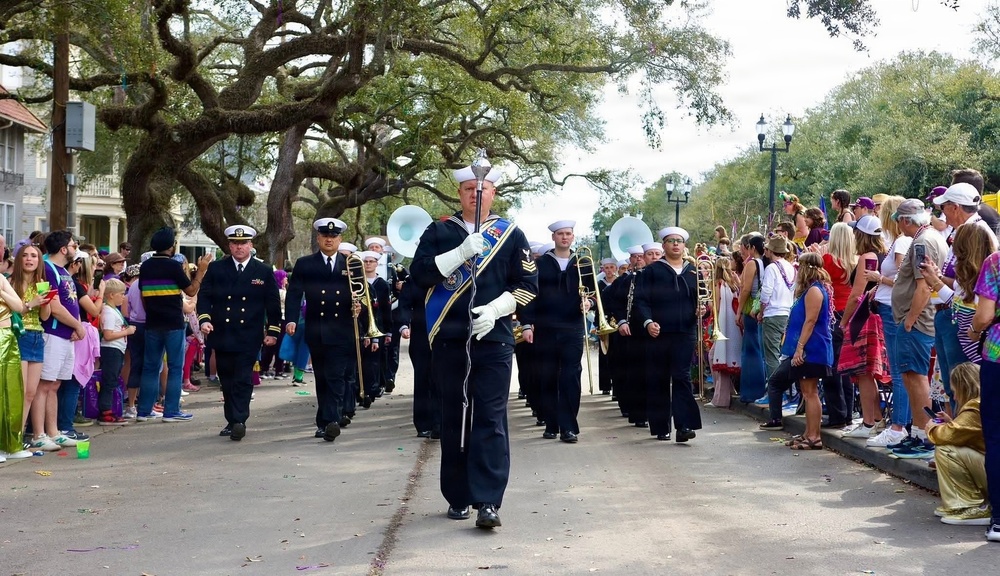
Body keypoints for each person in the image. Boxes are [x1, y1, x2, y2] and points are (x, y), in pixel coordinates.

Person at [410, 163, 537, 529]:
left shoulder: (510, 235)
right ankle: (457, 494)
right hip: (450, 338)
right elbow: (419, 276)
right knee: (453, 414)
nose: (474, 195)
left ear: (493, 194)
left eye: (481, 190)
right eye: (468, 189)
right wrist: (459, 253)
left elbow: (529, 285)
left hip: (493, 338)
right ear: (460, 193)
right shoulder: (439, 231)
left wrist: (497, 309)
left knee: (491, 417)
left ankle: (488, 500)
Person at [198, 225, 281, 440]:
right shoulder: (216, 268)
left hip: (248, 335)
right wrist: (204, 320)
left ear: (250, 245)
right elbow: (205, 297)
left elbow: (272, 304)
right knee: (227, 378)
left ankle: (240, 420)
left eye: (243, 243)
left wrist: (273, 330)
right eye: (235, 243)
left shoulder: (263, 270)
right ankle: (231, 419)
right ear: (229, 245)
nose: (239, 247)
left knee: (243, 378)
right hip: (222, 332)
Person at [285, 218, 358, 442]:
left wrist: (359, 306)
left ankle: (331, 420)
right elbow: (294, 294)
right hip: (317, 328)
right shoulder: (305, 264)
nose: (329, 239)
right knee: (323, 376)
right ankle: (324, 421)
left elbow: (362, 293)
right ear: (318, 238)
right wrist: (291, 319)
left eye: (334, 236)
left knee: (336, 376)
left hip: (341, 329)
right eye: (325, 236)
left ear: (340, 239)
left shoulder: (351, 264)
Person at [520, 220, 592, 444]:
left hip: (572, 327)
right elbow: (529, 295)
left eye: (568, 234)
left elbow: (591, 292)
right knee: (548, 376)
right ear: (553, 237)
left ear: (573, 237)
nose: (564, 237)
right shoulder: (540, 265)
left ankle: (568, 427)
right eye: (560, 234)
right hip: (546, 327)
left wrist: (588, 303)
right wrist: (526, 324)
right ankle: (551, 422)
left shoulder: (583, 263)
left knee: (571, 377)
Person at [928, 183, 998, 407]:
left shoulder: (975, 233)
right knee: (955, 386)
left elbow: (972, 297)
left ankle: (965, 436)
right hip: (956, 317)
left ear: (955, 207)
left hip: (965, 324)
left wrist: (936, 282)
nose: (943, 215)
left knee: (963, 387)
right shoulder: (966, 231)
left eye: (945, 208)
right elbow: (963, 287)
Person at [890, 199, 949, 456]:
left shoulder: (923, 242)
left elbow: (924, 285)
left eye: (898, 220)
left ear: (905, 219)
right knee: (912, 376)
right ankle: (918, 433)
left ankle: (925, 436)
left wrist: (910, 319)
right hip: (922, 318)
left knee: (914, 376)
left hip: (917, 320)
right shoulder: (931, 236)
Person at [635, 227, 702, 442]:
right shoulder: (652, 271)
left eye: (679, 241)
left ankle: (683, 426)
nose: (675, 244)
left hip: (685, 331)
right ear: (663, 245)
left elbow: (703, 300)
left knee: (681, 376)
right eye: (671, 241)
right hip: (659, 332)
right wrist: (647, 322)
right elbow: (641, 300)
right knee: (659, 377)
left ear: (684, 246)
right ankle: (661, 426)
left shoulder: (694, 271)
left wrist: (703, 310)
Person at [137, 228, 210, 423]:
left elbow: (144, 297)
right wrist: (202, 270)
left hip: (152, 322)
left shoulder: (145, 267)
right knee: (175, 367)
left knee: (151, 367)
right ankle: (171, 410)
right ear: (171, 247)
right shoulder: (173, 267)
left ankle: (144, 410)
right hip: (173, 323)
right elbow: (192, 290)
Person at [760, 252, 833, 445]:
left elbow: (811, 321)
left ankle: (814, 437)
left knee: (810, 392)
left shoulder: (815, 291)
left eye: (799, 267)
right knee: (806, 391)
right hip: (808, 348)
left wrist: (800, 348)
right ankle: (808, 433)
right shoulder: (810, 290)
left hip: (813, 348)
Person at [864, 196, 913, 447]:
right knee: (897, 370)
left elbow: (906, 280)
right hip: (888, 307)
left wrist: (878, 279)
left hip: (894, 310)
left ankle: (898, 426)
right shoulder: (898, 241)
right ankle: (900, 424)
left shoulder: (903, 242)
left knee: (898, 371)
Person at [839, 215, 889, 440]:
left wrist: (843, 320)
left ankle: (869, 422)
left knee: (863, 372)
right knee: (868, 373)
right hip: (876, 316)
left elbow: (857, 294)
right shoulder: (884, 255)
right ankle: (876, 419)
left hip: (864, 318)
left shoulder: (867, 258)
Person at [926, 363, 991, 525]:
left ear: (964, 387)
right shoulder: (985, 401)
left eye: (955, 392)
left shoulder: (975, 406)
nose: (954, 398)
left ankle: (969, 504)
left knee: (946, 450)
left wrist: (931, 428)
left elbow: (947, 436)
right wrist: (951, 422)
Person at [9, 244, 50, 459]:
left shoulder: (41, 283)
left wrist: (45, 301)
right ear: (18, 259)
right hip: (20, 335)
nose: (29, 259)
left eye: (34, 256)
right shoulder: (11, 283)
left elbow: (45, 316)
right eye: (25, 255)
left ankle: (20, 436)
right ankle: (13, 437)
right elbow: (13, 311)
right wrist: (30, 303)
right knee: (20, 391)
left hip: (37, 336)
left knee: (31, 393)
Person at [971, 247, 1000, 542]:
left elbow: (984, 315)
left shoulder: (996, 262)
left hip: (998, 354)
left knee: (996, 436)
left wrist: (973, 329)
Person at [820, 222, 857, 430]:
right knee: (847, 365)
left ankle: (837, 414)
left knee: (832, 365)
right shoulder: (856, 260)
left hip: (834, 313)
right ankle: (848, 413)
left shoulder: (828, 260)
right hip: (851, 314)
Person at [0, 270, 35, 460]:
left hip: (8, 338)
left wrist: (2, 292)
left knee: (12, 391)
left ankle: (12, 444)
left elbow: (19, 307)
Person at [736, 233, 768, 403]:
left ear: (752, 248)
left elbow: (746, 289)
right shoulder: (767, 262)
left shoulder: (752, 263)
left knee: (751, 350)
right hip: (761, 309)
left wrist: (739, 311)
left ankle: (751, 391)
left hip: (751, 309)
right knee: (759, 349)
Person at [97, 279, 134, 425]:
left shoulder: (113, 310)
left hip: (117, 349)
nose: (123, 297)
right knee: (109, 381)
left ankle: (109, 410)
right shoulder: (109, 312)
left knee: (112, 380)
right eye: (121, 294)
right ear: (111, 295)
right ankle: (105, 412)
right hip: (111, 349)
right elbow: (108, 334)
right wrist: (128, 331)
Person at [760, 237, 795, 380]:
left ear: (771, 250)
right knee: (784, 354)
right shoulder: (791, 267)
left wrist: (761, 311)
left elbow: (765, 293)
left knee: (772, 355)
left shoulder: (771, 268)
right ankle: (786, 390)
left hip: (773, 313)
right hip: (787, 313)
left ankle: (774, 390)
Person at [709, 256, 741, 408]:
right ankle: (728, 390)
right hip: (733, 324)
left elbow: (715, 306)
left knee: (716, 357)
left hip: (722, 324)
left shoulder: (717, 284)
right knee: (722, 357)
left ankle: (720, 396)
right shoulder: (733, 283)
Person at [358, 250, 390, 407]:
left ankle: (373, 389)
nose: (368, 264)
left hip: (378, 327)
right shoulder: (358, 282)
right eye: (366, 261)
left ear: (377, 263)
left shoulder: (382, 284)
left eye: (371, 261)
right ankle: (361, 390)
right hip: (361, 327)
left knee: (374, 362)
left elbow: (384, 310)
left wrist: (388, 330)